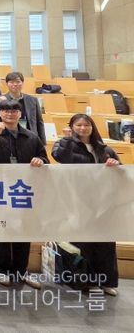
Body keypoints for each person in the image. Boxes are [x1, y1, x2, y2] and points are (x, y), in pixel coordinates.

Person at [0, 99, 48, 289]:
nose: (10, 113)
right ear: (0, 114)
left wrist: (40, 160)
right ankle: (2, 269)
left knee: (23, 229)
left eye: (14, 110)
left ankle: (21, 270)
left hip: (23, 190)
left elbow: (44, 157)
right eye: (6, 110)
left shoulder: (31, 136)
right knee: (1, 227)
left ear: (20, 114)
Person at [52, 114, 121, 296]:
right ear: (72, 127)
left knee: (105, 243)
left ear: (92, 127)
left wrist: (115, 164)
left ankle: (106, 281)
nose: (83, 128)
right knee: (84, 242)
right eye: (78, 125)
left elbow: (120, 170)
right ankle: (86, 281)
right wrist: (67, 139)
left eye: (86, 125)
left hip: (103, 203)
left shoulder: (104, 149)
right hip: (77, 201)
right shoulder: (64, 144)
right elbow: (59, 156)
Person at [0, 72, 45, 145]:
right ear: (7, 84)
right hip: (7, 138)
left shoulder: (33, 100)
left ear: (22, 83)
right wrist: (0, 104)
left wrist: (42, 142)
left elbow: (39, 121)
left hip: (29, 138)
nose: (15, 84)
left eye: (18, 82)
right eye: (11, 82)